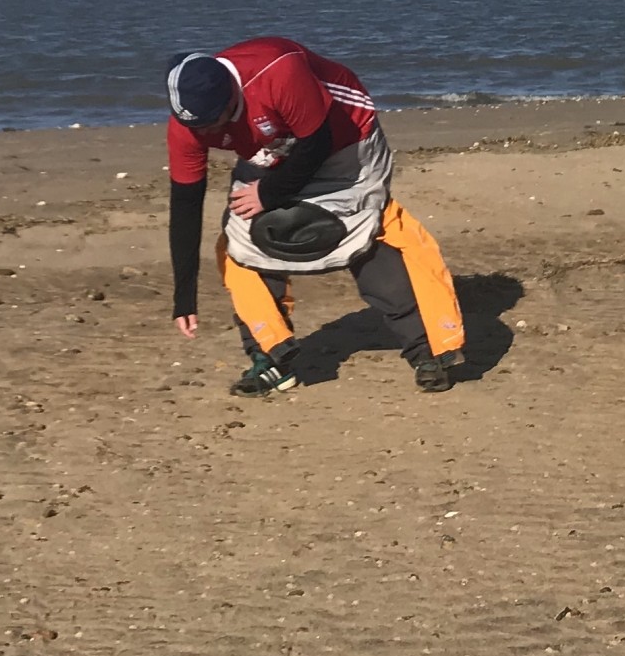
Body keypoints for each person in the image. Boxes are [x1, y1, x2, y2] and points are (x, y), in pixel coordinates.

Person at [165, 36, 467, 395]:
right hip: (273, 149)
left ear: (232, 94)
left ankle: (428, 349)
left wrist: (268, 192)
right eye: (196, 126)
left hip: (343, 139)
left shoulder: (278, 71)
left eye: (212, 123)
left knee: (361, 233)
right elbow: (185, 204)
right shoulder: (189, 124)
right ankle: (270, 355)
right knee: (245, 242)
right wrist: (184, 296)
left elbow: (317, 143)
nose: (204, 134)